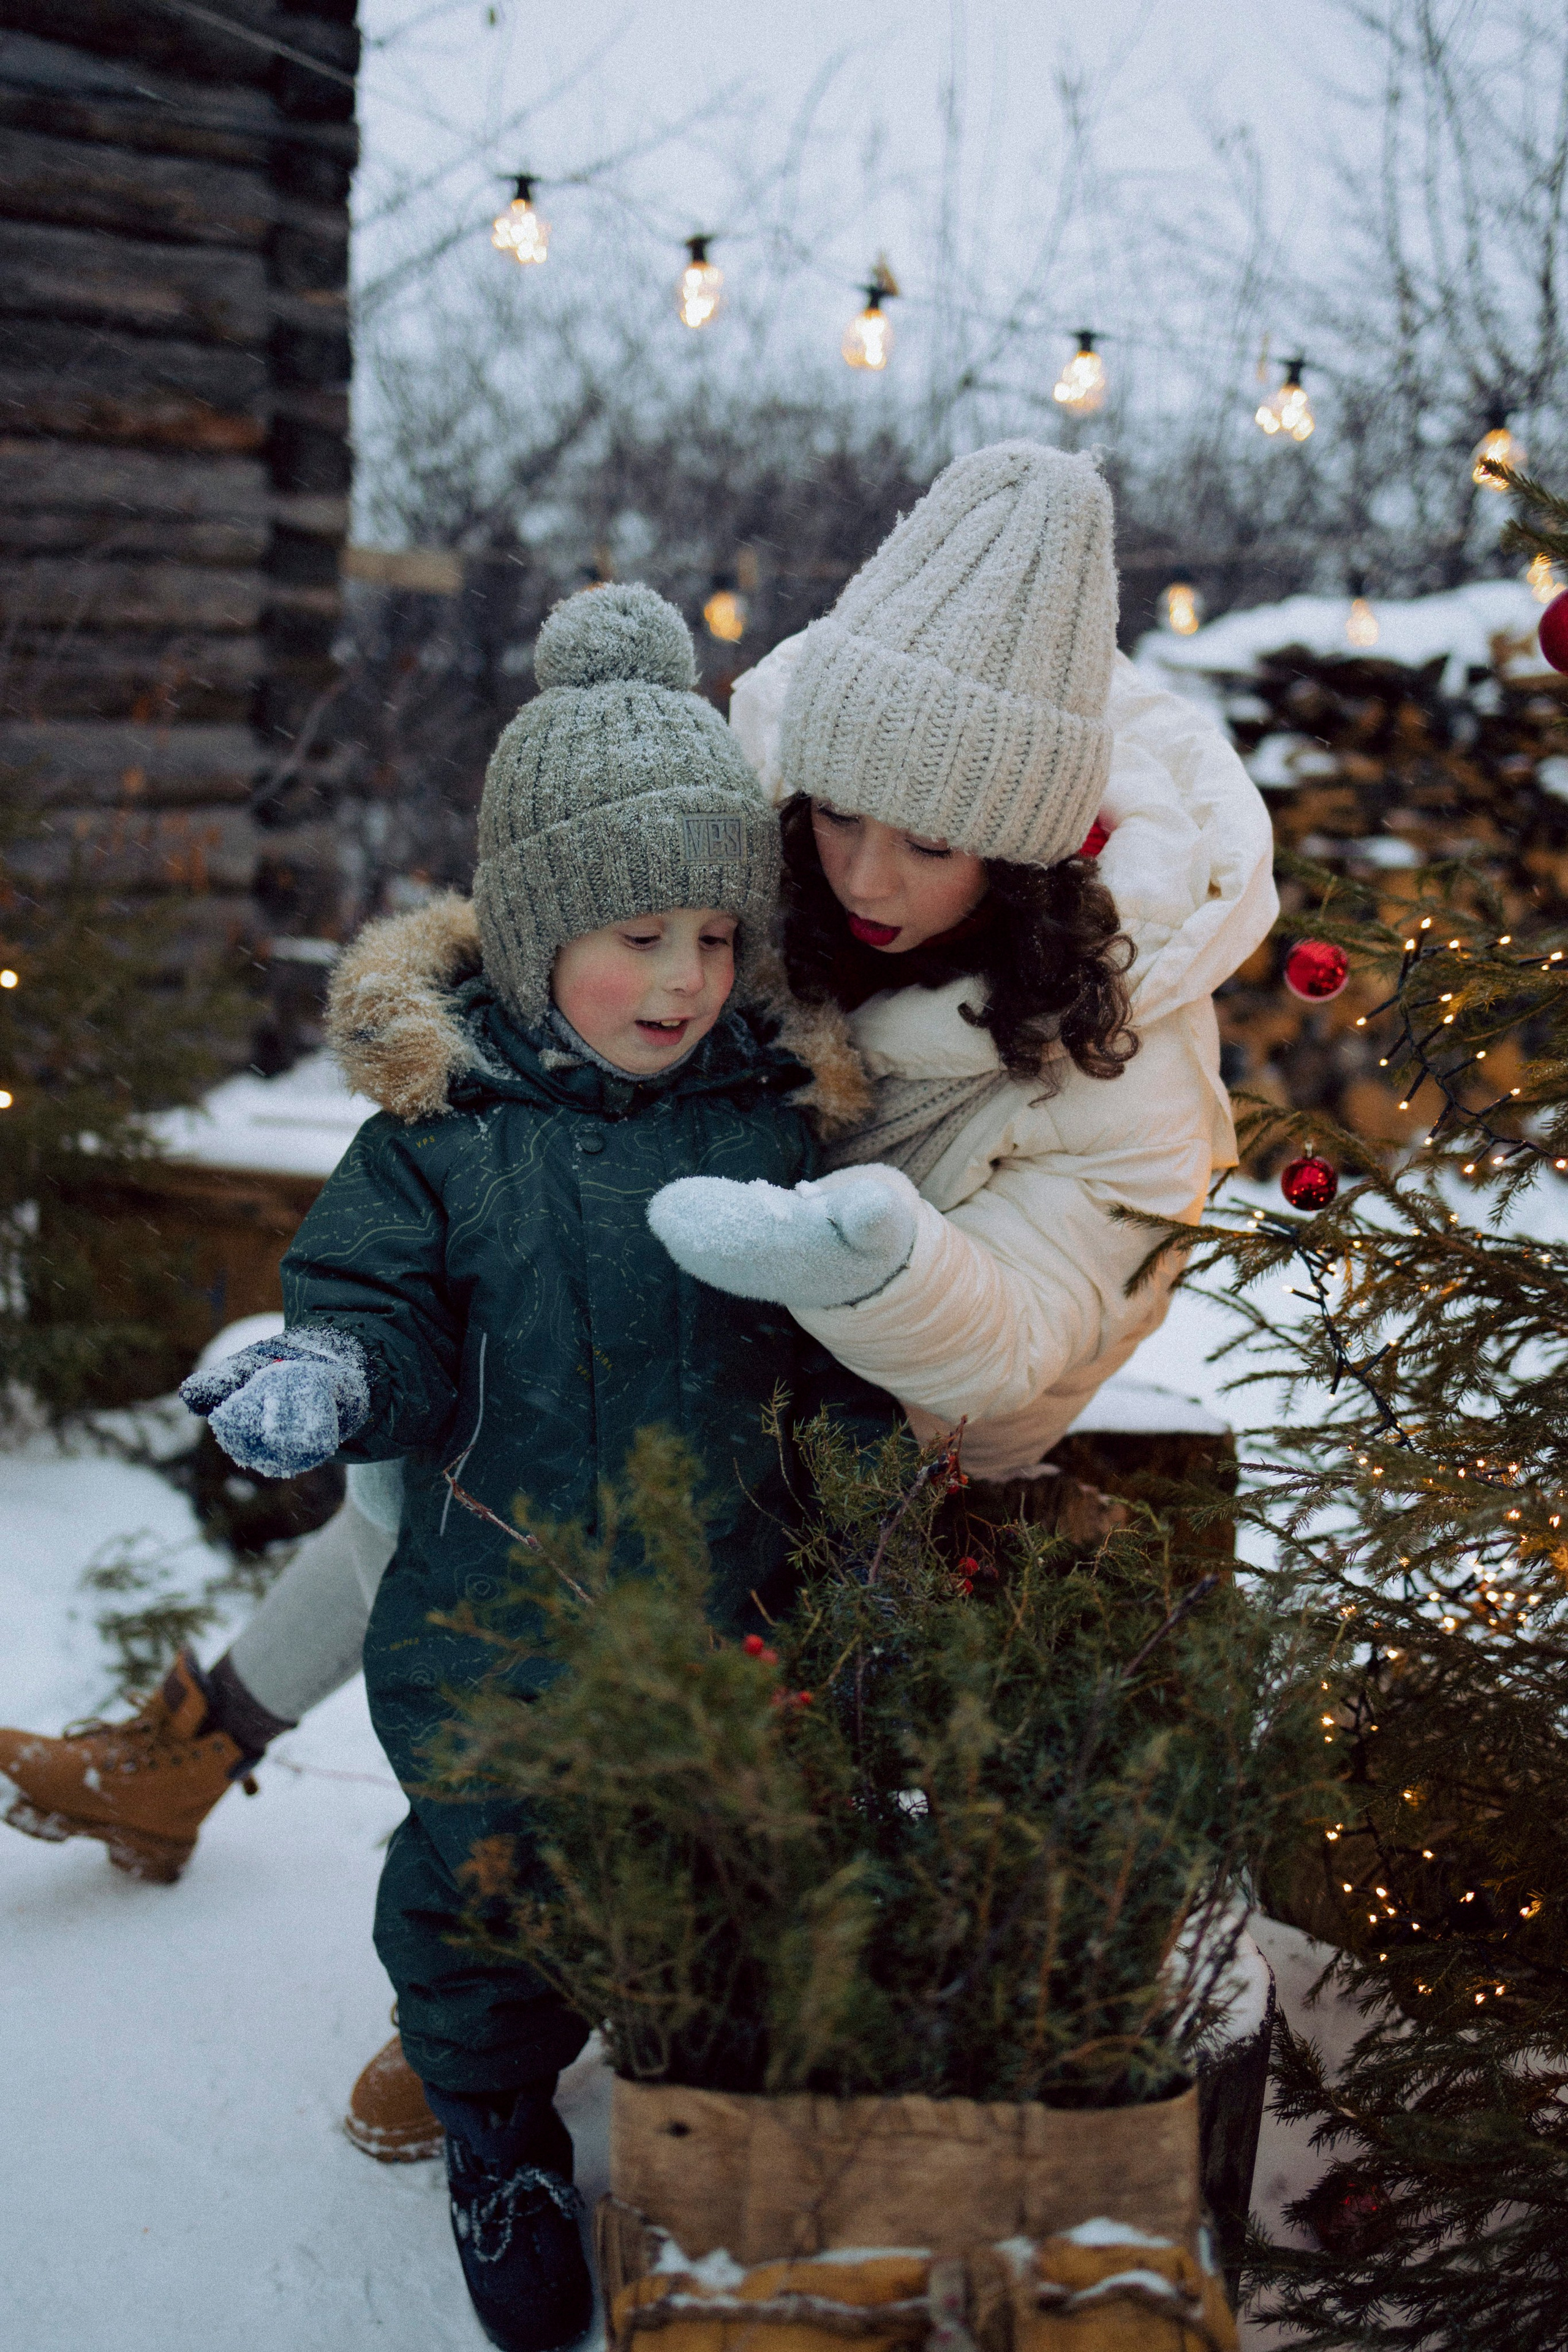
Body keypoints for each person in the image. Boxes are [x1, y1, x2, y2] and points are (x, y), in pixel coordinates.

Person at [0, 442, 1276, 2195]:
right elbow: (575, 903)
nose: (866, 873)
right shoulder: (770, 807)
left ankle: (445, 1919)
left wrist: (872, 1264)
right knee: (445, 1504)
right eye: (836, 814)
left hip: (890, 1413)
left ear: (1032, 851)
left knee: (682, 1683)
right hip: (639, 1285)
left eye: (930, 843)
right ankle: (422, 1946)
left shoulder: (1128, 1042)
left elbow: (1039, 1325)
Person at [190, 584, 899, 2352]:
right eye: (636, 934)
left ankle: (700, 2121)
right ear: (530, 934)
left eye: (717, 938)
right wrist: (331, 1372)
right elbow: (385, 1321)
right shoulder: (439, 1141)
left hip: (731, 1608)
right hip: (499, 1612)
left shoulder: (775, 1122)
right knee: (484, 1887)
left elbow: (836, 1351)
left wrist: (880, 1489)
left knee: (725, 1873)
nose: (683, 978)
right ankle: (497, 2130)